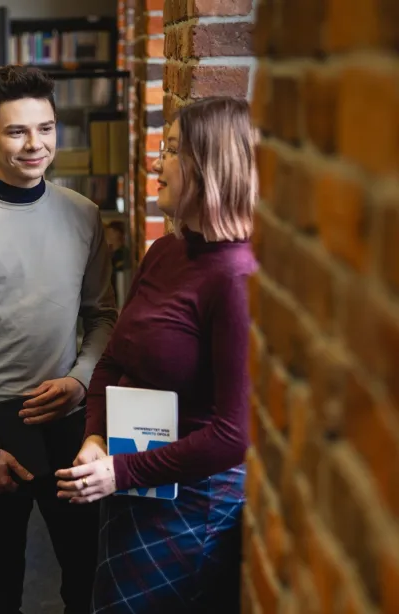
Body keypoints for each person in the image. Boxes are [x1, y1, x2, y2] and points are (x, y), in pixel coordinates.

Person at [56, 97, 258, 613]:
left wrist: (121, 473)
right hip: (133, 479)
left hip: (194, 501)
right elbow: (112, 361)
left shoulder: (237, 278)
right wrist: (96, 439)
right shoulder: (165, 252)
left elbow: (233, 436)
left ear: (207, 164)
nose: (154, 162)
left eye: (169, 149)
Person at [0, 65, 118, 614]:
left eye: (46, 128)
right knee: (0, 586)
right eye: (16, 131)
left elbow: (104, 316)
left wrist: (81, 383)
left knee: (86, 574)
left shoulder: (83, 215)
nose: (36, 145)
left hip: (69, 422)